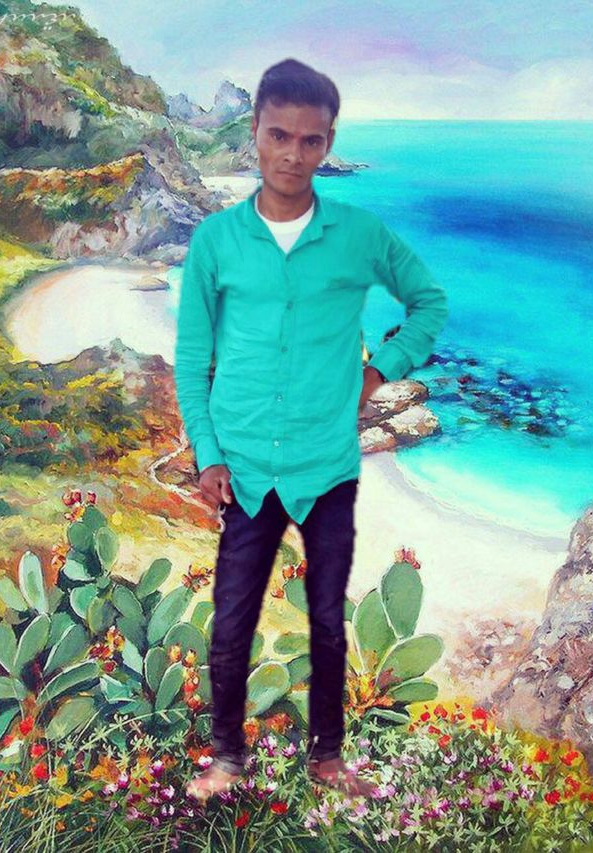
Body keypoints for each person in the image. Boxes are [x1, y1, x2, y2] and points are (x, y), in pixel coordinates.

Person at [174, 58, 449, 804]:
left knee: (327, 622)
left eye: (311, 140)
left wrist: (379, 370)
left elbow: (428, 302)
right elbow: (193, 358)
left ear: (328, 143)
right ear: (254, 133)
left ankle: (327, 759)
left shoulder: (359, 235)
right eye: (279, 136)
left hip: (327, 464)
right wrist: (207, 454)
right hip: (244, 468)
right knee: (231, 622)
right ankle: (225, 759)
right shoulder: (216, 241)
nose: (293, 155)